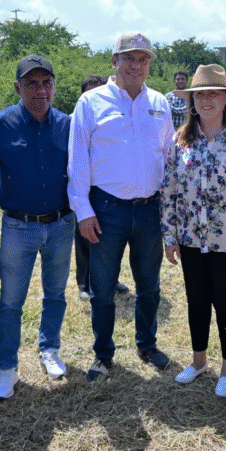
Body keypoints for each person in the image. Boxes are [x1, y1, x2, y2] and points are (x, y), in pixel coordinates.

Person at [68, 32, 174, 381]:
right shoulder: (91, 103)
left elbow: (169, 156)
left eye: (143, 59)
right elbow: (78, 161)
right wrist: (83, 210)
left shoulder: (158, 102)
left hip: (149, 209)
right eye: (129, 58)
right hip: (106, 209)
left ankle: (147, 344)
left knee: (149, 285)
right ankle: (103, 354)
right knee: (102, 287)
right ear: (114, 61)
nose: (137, 65)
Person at [162, 64, 226, 397]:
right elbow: (169, 190)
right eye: (200, 94)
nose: (207, 100)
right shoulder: (180, 140)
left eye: (214, 93)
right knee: (196, 300)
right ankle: (198, 361)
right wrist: (169, 236)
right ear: (192, 101)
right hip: (191, 237)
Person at [0, 55, 75, 399]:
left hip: (60, 222)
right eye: (31, 84)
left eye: (46, 83)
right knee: (11, 300)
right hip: (18, 226)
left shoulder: (67, 125)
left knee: (55, 293)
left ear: (54, 85)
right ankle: (7, 366)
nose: (40, 90)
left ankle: (49, 348)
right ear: (17, 87)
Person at [74, 75, 130, 300]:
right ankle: (84, 283)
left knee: (107, 243)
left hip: (108, 192)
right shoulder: (74, 119)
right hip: (84, 189)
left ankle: (111, 279)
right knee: (85, 240)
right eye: (90, 91)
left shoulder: (115, 115)